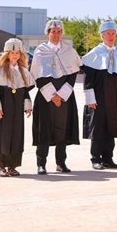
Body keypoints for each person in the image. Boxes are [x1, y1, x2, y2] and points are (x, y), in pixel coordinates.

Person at [30, 19, 81, 174]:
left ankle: (61, 163)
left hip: (65, 96)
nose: (56, 34)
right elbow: (37, 76)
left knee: (62, 129)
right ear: (48, 33)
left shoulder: (69, 51)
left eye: (59, 32)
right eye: (53, 31)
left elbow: (73, 74)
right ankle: (41, 164)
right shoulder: (40, 51)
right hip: (46, 97)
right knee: (43, 130)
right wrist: (52, 95)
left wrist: (62, 94)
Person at [82, 20, 117, 170]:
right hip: (98, 98)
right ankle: (95, 159)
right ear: (102, 36)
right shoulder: (95, 54)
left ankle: (108, 158)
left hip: (114, 98)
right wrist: (90, 99)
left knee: (111, 127)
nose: (111, 36)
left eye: (113, 33)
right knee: (98, 129)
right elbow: (88, 80)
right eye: (108, 34)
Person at [0, 38, 34, 177]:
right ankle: (1, 167)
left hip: (17, 109)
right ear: (6, 54)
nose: (15, 55)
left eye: (17, 52)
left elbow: (25, 91)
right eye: (12, 53)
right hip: (3, 110)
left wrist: (27, 106)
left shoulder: (23, 71)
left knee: (17, 136)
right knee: (1, 136)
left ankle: (12, 166)